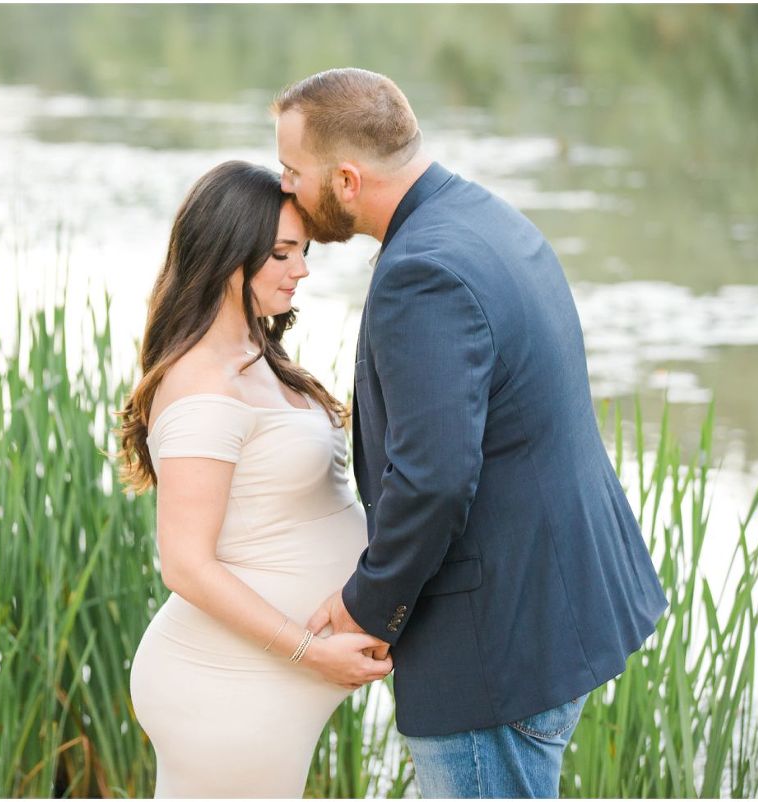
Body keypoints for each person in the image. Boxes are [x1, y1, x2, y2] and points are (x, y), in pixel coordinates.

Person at [273, 68, 669, 798]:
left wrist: (369, 603)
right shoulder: (482, 216)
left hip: (496, 644)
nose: (286, 191)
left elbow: (435, 479)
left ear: (349, 179)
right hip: (555, 609)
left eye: (294, 173)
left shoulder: (421, 273)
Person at [116, 160, 394, 798]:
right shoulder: (200, 382)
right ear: (226, 258)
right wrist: (308, 651)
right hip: (228, 684)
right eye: (281, 253)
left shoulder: (259, 356)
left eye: (301, 251)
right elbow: (183, 564)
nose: (301, 269)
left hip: (263, 681)